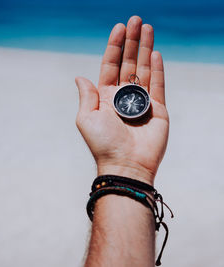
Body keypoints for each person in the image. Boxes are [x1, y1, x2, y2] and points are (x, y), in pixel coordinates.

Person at [75, 15, 170, 266]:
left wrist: (123, 170)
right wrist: (124, 169)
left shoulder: (138, 101)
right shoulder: (132, 100)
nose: (130, 103)